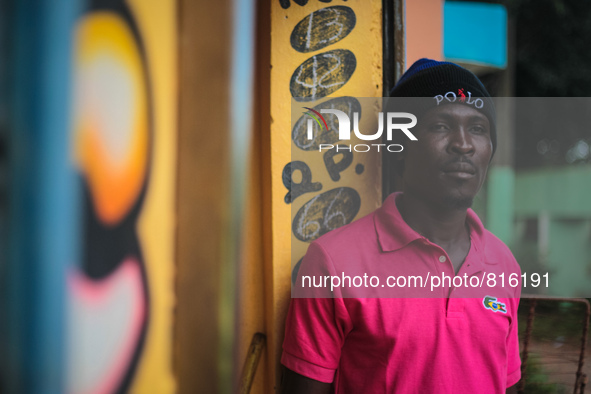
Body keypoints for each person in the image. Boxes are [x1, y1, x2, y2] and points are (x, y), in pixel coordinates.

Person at [280, 59, 522, 393]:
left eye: (478, 129)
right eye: (440, 126)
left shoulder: (503, 262)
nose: (463, 144)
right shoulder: (333, 261)